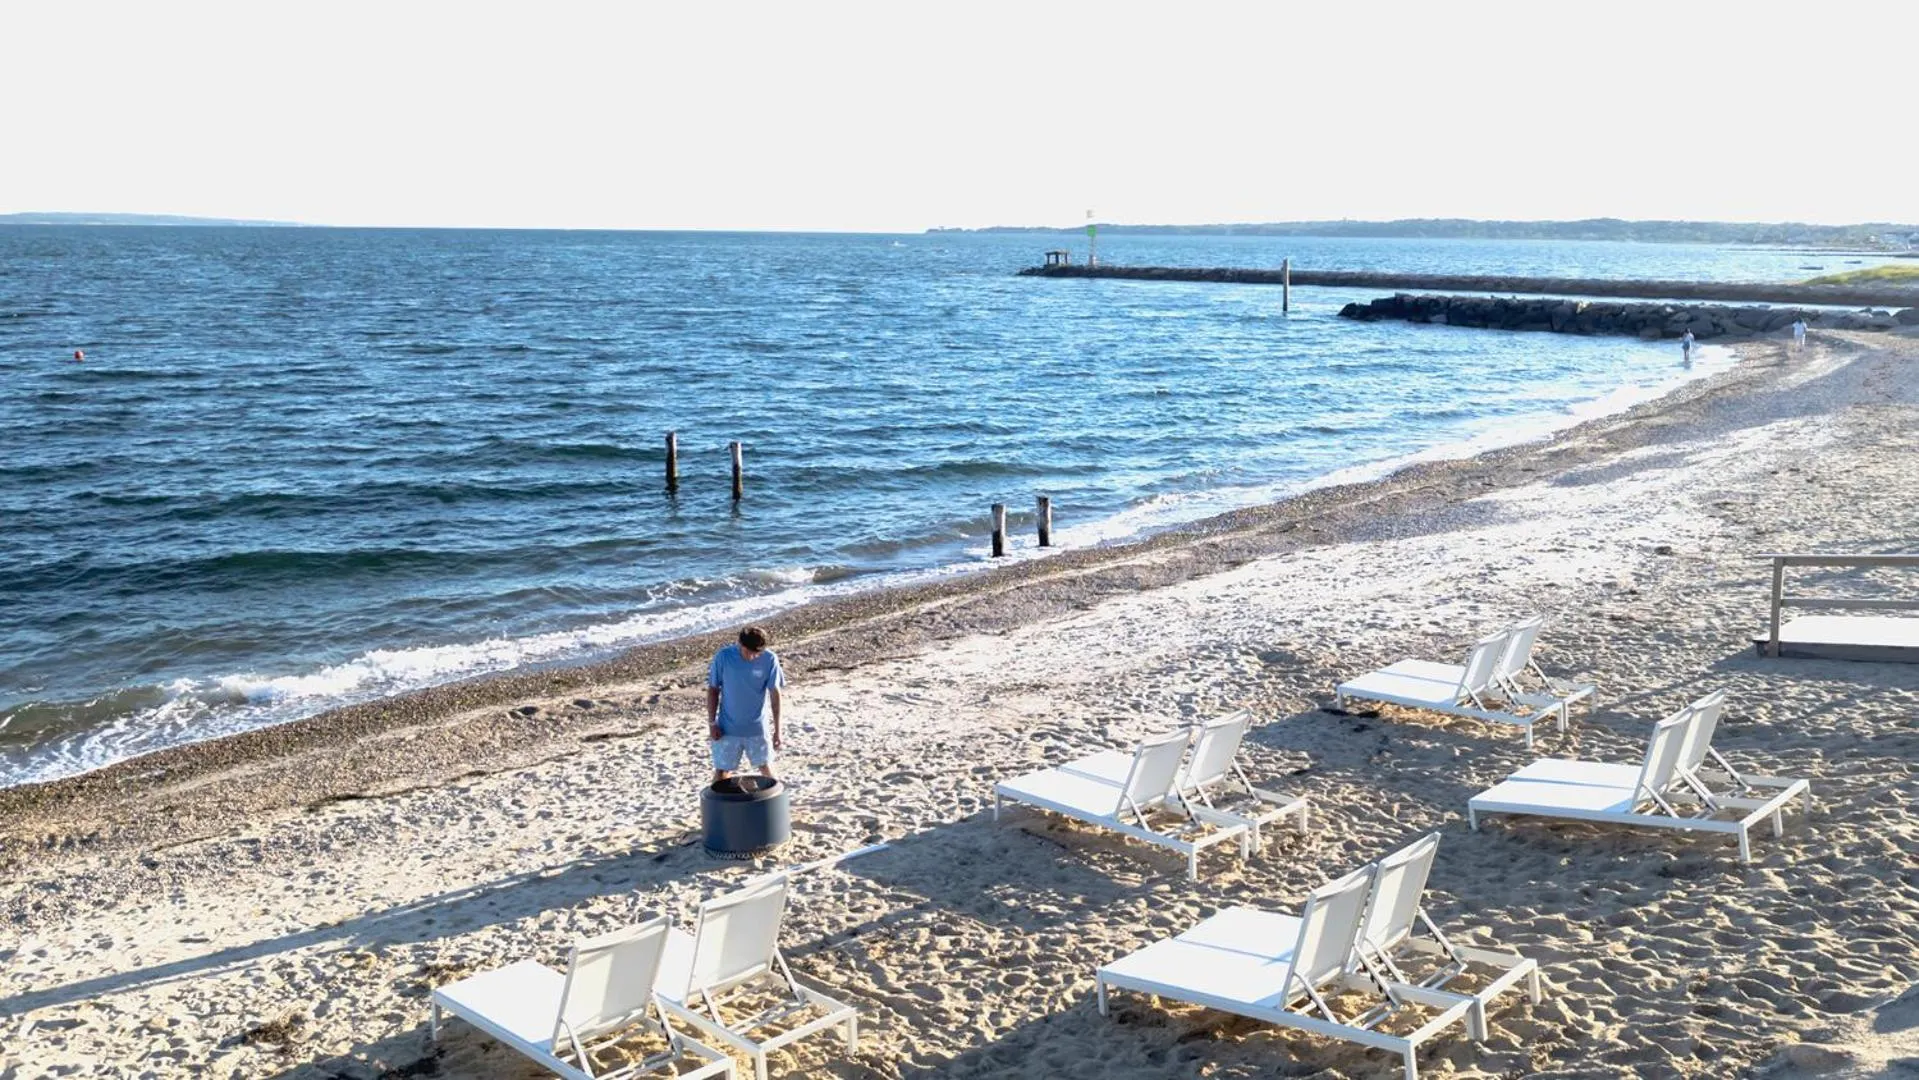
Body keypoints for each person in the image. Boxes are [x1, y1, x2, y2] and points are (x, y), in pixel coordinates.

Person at [707, 625, 784, 784]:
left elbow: (775, 695)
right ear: (740, 644)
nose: (753, 657)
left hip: (757, 728)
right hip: (727, 728)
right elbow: (713, 690)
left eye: (757, 653)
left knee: (766, 768)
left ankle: (776, 806)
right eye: (750, 652)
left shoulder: (769, 659)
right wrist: (712, 723)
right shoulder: (724, 657)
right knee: (722, 771)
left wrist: (778, 731)